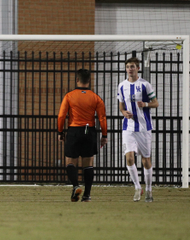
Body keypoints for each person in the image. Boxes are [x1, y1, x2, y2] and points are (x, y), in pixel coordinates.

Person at [57, 69, 107, 202]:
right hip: (89, 131)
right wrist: (104, 135)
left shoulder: (69, 96)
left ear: (77, 80)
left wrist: (60, 132)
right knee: (88, 164)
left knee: (70, 162)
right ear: (89, 81)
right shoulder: (96, 97)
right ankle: (87, 195)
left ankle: (75, 186)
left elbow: (61, 116)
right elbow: (102, 118)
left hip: (74, 130)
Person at [117, 57, 159, 202]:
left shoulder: (145, 85)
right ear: (126, 68)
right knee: (129, 157)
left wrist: (145, 105)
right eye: (128, 66)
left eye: (133, 66)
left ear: (138, 68)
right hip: (128, 127)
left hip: (143, 128)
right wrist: (123, 113)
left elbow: (156, 103)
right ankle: (137, 187)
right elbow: (121, 106)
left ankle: (148, 189)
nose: (130, 69)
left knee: (146, 160)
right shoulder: (122, 85)